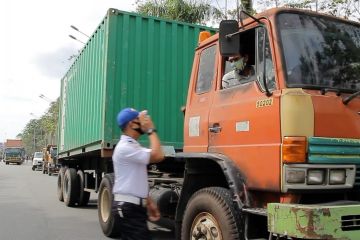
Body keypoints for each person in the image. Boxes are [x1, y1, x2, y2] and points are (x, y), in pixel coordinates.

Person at [112, 107, 165, 240]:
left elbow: (136, 178)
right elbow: (158, 155)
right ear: (131, 124)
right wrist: (151, 130)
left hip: (132, 208)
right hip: (128, 208)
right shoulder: (125, 147)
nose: (143, 122)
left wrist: (149, 201)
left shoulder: (132, 146)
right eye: (139, 120)